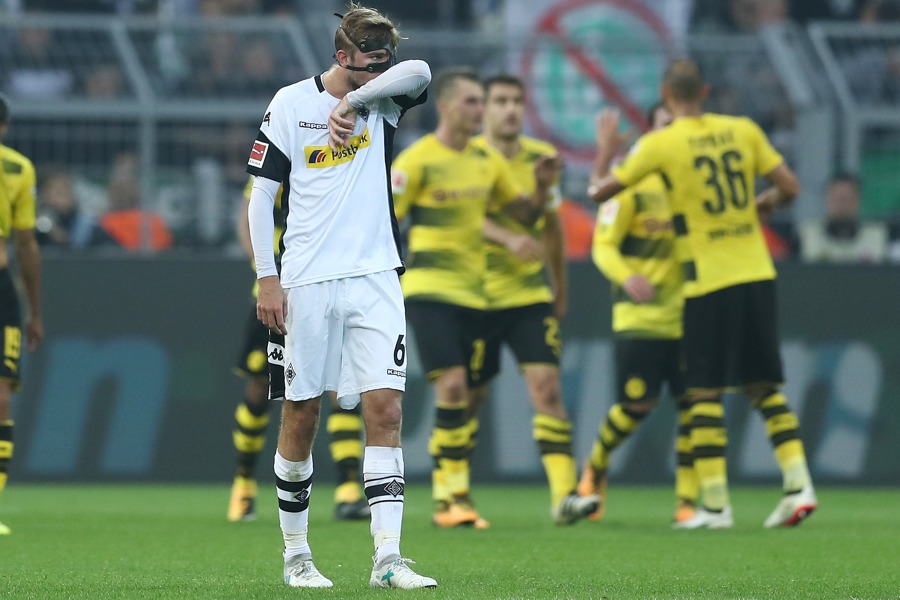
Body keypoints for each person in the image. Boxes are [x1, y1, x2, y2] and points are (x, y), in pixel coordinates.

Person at [246, 4, 436, 589]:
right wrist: (266, 275)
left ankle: (388, 559)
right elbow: (260, 198)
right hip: (305, 279)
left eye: (383, 66)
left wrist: (353, 102)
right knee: (302, 414)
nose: (376, 75)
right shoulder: (289, 104)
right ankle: (297, 554)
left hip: (376, 276)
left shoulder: (380, 98)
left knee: (386, 410)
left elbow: (423, 72)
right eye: (364, 69)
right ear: (339, 57)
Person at [587, 59, 818, 530]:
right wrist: (764, 204)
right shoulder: (743, 130)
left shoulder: (661, 143)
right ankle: (799, 485)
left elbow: (597, 192)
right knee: (764, 387)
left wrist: (607, 150)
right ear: (706, 92)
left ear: (666, 94)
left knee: (704, 392)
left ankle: (715, 506)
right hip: (757, 271)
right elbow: (790, 187)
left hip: (708, 281)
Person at [391, 67, 578, 529]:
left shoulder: (484, 161)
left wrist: (539, 185)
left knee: (466, 394)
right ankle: (448, 498)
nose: (481, 111)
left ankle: (456, 495)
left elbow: (526, 216)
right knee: (452, 385)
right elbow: (384, 222)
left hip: (476, 295)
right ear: (449, 106)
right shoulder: (415, 162)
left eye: (482, 102)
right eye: (474, 102)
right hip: (430, 289)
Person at [464, 73, 599, 525]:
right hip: (476, 294)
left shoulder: (542, 159)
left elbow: (552, 229)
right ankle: (455, 493)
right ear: (483, 108)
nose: (510, 109)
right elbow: (456, 219)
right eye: (500, 100)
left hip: (528, 295)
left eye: (517, 101)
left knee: (547, 388)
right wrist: (503, 238)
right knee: (469, 398)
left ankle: (565, 495)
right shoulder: (466, 157)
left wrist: (559, 287)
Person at [577, 104, 698, 524]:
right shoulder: (632, 181)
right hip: (641, 319)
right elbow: (603, 244)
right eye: (667, 125)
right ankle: (596, 467)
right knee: (635, 407)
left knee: (696, 408)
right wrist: (628, 277)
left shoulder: (695, 183)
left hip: (691, 315)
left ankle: (689, 503)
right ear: (654, 131)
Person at [228, 176, 370, 523]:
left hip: (329, 289)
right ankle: (244, 483)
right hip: (280, 293)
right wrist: (265, 273)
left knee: (341, 387)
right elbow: (249, 213)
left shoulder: (343, 158)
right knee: (260, 391)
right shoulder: (283, 148)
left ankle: (348, 488)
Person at [0, 93, 44, 535]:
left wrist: (34, 310)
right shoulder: (17, 166)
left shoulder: (16, 169)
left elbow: (26, 244)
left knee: (0, 397)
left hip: (1, 292)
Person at [798, 173, 888, 263]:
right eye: (837, 199)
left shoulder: (879, 236)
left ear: (858, 200)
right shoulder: (806, 236)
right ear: (826, 200)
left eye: (847, 199)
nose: (842, 204)